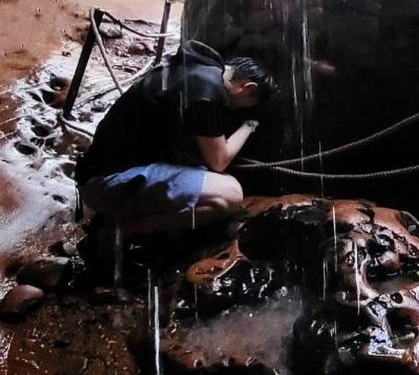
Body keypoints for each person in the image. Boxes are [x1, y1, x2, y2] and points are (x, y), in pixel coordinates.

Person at [76, 40, 275, 242]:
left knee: (200, 169)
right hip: (106, 184)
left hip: (96, 174)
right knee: (229, 194)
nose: (237, 109)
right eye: (245, 105)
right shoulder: (208, 92)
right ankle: (120, 232)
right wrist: (249, 126)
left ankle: (120, 217)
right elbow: (219, 161)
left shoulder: (194, 69)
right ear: (247, 88)